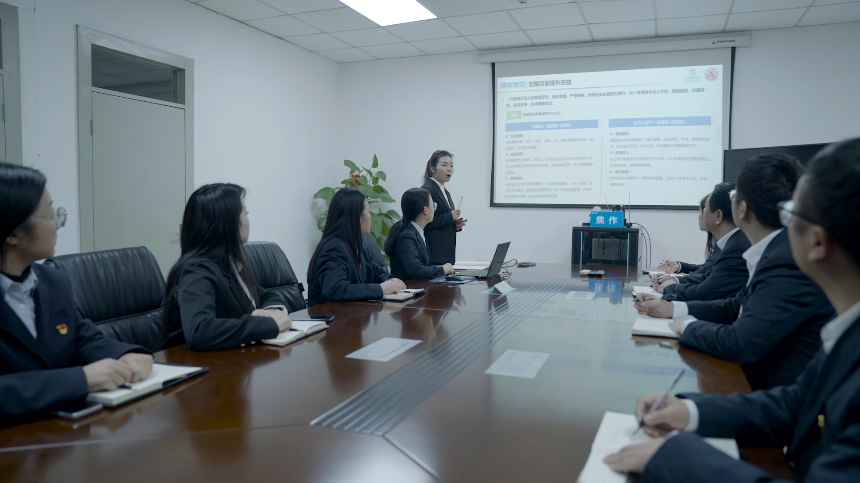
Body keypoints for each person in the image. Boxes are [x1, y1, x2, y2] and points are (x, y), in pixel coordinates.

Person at [604, 138, 860, 483]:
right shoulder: (847, 331)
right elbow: (794, 404)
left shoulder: (781, 265)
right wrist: (690, 411)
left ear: (817, 241)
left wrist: (674, 457)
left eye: (790, 214)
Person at [635, 154, 834, 390]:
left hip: (772, 394)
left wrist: (688, 326)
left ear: (742, 209)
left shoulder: (785, 260)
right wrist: (671, 308)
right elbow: (734, 306)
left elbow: (739, 342)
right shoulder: (775, 249)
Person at [0, 163, 153, 422]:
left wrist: (124, 354)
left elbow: (82, 339)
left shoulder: (53, 281)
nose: (58, 224)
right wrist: (80, 380)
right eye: (50, 215)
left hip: (61, 431)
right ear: (13, 233)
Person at [163, 183, 293, 351]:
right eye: (245, 213)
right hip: (195, 364)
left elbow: (264, 295)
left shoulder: (227, 262)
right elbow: (200, 330)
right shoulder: (196, 269)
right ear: (229, 223)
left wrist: (272, 310)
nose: (248, 220)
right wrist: (268, 324)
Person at [307, 187, 405, 307]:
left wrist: (390, 280)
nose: (370, 217)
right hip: (331, 316)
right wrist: (380, 289)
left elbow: (376, 271)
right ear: (356, 217)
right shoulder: (333, 248)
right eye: (368, 212)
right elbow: (336, 289)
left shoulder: (357, 245)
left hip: (352, 314)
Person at [655, 182, 751, 301]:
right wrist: (675, 280)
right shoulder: (732, 242)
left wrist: (669, 288)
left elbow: (705, 292)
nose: (701, 214)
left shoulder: (736, 247)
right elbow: (708, 277)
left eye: (704, 208)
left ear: (718, 216)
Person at [384, 188, 454, 281]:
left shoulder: (415, 231)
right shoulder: (406, 237)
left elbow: (422, 266)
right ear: (425, 210)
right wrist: (442, 269)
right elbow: (416, 270)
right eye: (433, 205)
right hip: (407, 287)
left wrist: (439, 268)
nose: (434, 209)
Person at [421, 150, 467, 265]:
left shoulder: (445, 192)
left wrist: (455, 225)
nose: (449, 169)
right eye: (444, 165)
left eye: (451, 165)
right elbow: (424, 222)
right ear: (432, 168)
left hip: (446, 254)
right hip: (434, 255)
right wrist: (449, 217)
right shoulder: (427, 190)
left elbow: (442, 222)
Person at [656, 195, 718, 277]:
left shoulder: (723, 245)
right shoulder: (718, 241)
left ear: (717, 215)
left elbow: (706, 273)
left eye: (701, 211)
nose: (699, 216)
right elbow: (706, 268)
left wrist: (682, 278)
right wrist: (679, 267)